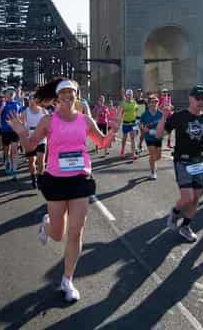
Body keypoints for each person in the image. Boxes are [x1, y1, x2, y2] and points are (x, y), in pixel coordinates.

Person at [7, 78, 122, 302]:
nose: (69, 96)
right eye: (65, 93)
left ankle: (67, 280)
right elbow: (31, 146)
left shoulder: (85, 120)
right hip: (56, 180)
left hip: (80, 179)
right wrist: (21, 132)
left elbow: (102, 143)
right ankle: (46, 223)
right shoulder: (48, 121)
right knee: (58, 234)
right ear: (57, 98)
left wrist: (113, 131)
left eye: (73, 93)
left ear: (76, 96)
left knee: (76, 231)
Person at [157, 85, 203, 242]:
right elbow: (160, 134)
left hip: (199, 161)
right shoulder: (180, 116)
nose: (201, 102)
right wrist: (163, 117)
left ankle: (185, 226)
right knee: (188, 198)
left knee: (196, 198)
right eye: (198, 98)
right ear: (190, 98)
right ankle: (175, 212)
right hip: (183, 161)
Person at [0, 86, 22, 180]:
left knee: (14, 151)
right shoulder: (0, 104)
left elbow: (21, 117)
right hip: (5, 130)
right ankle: (7, 162)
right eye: (9, 92)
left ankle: (14, 171)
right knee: (6, 151)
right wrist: (2, 106)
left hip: (15, 130)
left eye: (13, 91)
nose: (11, 93)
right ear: (5, 94)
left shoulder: (18, 104)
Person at [21, 93, 47, 188]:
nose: (31, 101)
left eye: (34, 99)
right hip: (30, 139)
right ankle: (33, 178)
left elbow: (49, 124)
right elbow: (21, 124)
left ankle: (40, 179)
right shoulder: (25, 112)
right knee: (31, 161)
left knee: (41, 161)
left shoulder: (43, 111)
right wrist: (24, 130)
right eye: (30, 99)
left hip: (41, 138)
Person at [140, 95, 163, 180]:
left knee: (158, 157)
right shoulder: (145, 114)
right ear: (149, 104)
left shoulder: (161, 113)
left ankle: (152, 161)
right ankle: (153, 172)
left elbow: (165, 123)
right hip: (149, 137)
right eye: (152, 102)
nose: (154, 103)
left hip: (158, 137)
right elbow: (140, 122)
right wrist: (143, 128)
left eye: (156, 102)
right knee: (153, 154)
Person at [120, 89, 138, 159]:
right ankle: (122, 151)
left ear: (132, 95)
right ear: (126, 95)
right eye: (128, 95)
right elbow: (121, 113)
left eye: (131, 95)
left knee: (133, 138)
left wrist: (136, 120)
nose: (129, 96)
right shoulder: (124, 103)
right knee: (124, 138)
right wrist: (119, 121)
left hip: (133, 123)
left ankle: (133, 154)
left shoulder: (134, 102)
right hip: (125, 123)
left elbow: (136, 110)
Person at [135, 88, 147, 153]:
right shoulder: (134, 101)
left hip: (143, 120)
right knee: (135, 133)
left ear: (142, 93)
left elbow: (147, 110)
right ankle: (136, 147)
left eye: (140, 92)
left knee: (143, 133)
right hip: (136, 119)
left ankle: (139, 145)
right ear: (136, 93)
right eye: (138, 92)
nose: (139, 93)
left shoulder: (145, 101)